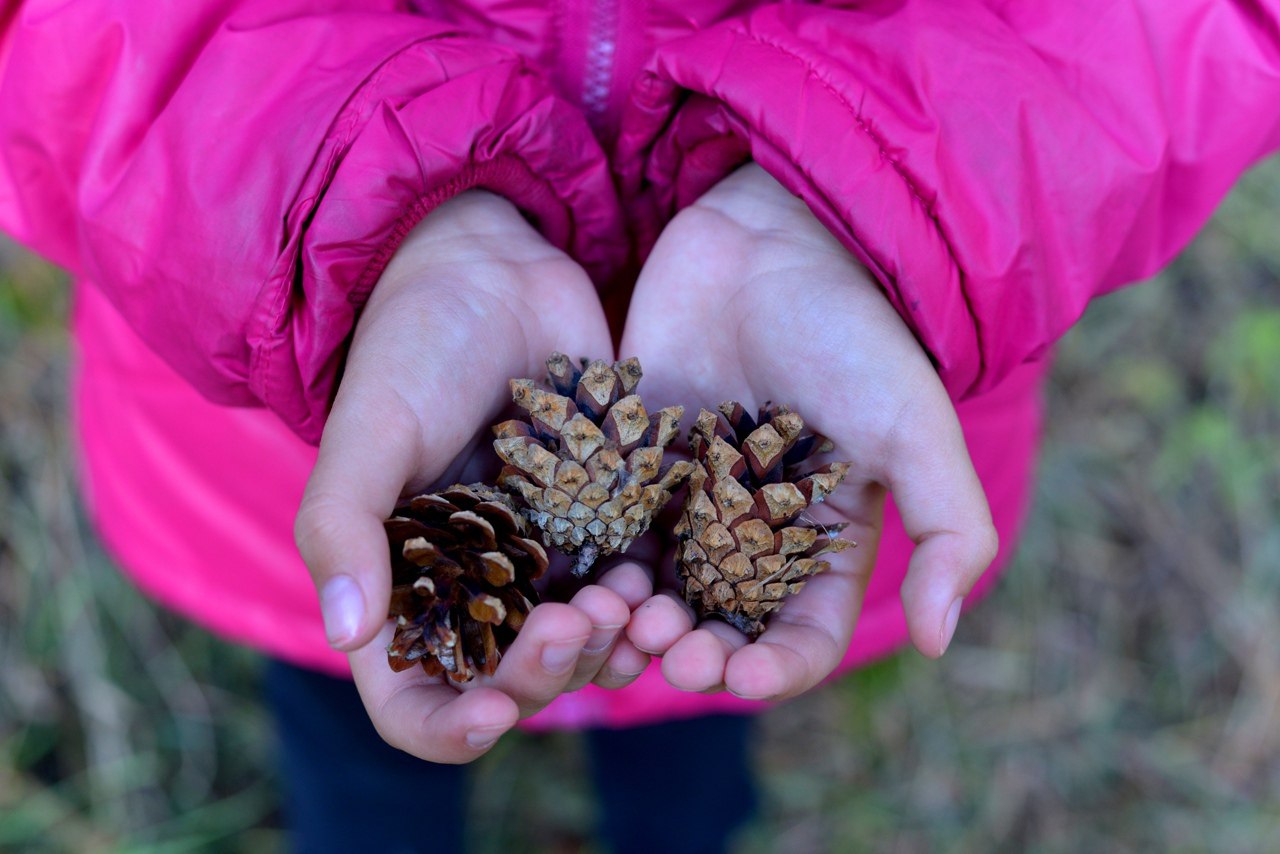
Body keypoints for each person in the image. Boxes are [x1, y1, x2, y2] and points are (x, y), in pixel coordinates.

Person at [1, 0, 1277, 850]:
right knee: (360, 699)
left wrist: (891, 195)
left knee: (705, 698)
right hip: (300, 396)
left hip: (816, 349)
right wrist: (346, 192)